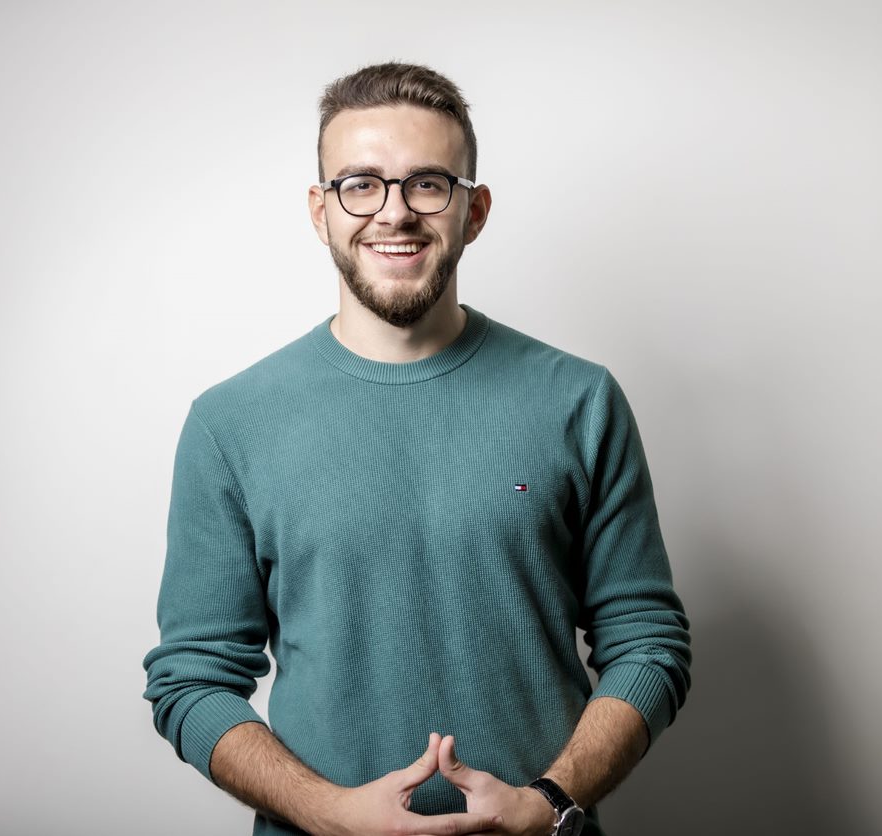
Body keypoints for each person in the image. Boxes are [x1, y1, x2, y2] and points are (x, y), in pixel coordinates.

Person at [142, 62, 691, 836]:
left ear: (475, 210)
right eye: (360, 184)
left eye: (428, 184)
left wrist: (551, 801)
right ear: (319, 210)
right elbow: (192, 680)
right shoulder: (230, 422)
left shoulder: (580, 400)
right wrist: (326, 813)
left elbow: (648, 642)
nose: (393, 213)